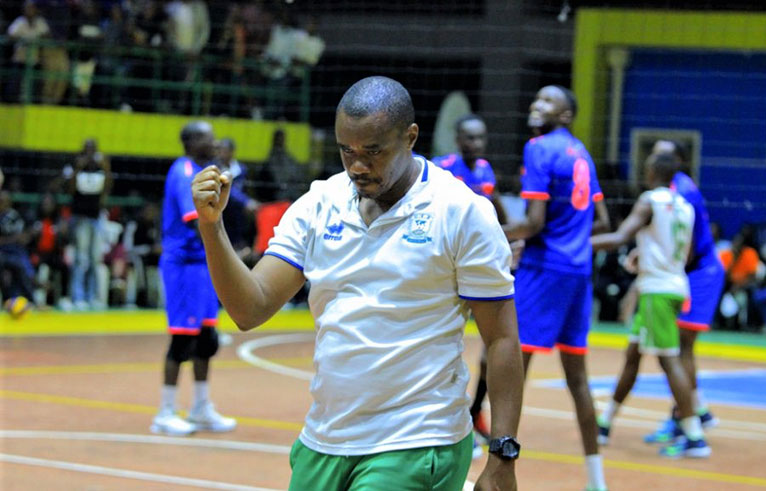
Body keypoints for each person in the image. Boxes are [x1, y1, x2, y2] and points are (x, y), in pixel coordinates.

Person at [191, 76, 523, 490]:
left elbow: (503, 339)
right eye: (347, 151)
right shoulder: (318, 205)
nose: (357, 166)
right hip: (325, 438)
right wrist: (212, 227)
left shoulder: (460, 212)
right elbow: (249, 308)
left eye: (373, 152)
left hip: (417, 441)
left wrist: (503, 454)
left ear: (410, 137)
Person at [503, 85, 610, 491]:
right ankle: (596, 481)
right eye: (536, 98)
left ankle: (498, 470)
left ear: (565, 115)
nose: (536, 104)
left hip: (544, 269)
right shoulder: (581, 152)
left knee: (513, 371)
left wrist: (490, 234)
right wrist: (572, 238)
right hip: (578, 272)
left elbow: (533, 223)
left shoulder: (539, 148)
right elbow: (601, 221)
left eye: (548, 101)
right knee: (578, 380)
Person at [590, 152, 711, 459]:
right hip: (671, 284)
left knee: (669, 361)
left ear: (652, 171)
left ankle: (695, 436)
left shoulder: (650, 200)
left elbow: (619, 236)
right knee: (633, 354)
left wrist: (574, 244)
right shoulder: (684, 205)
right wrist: (647, 257)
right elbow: (687, 252)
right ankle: (604, 423)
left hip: (657, 290)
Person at [621, 139, 722, 444]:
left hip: (698, 272)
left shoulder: (677, 192)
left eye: (660, 155)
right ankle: (695, 410)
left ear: (674, 161)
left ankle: (685, 417)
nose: (652, 159)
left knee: (679, 348)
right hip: (683, 272)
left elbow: (685, 250)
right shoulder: (678, 188)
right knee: (675, 349)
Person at [151, 121, 236, 437]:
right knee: (182, 339)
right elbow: (195, 222)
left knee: (206, 340)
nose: (213, 140)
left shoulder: (207, 170)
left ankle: (200, 407)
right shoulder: (183, 171)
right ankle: (165, 412)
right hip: (183, 265)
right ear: (189, 141)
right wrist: (227, 253)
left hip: (202, 266)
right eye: (205, 136)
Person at [432, 113, 508, 448]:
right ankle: (447, 417)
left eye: (479, 139)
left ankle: (475, 413)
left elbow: (492, 208)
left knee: (491, 346)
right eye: (468, 138)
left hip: (474, 266)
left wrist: (507, 237)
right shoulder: (441, 166)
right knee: (444, 342)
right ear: (458, 139)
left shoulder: (486, 171)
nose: (474, 144)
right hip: (442, 266)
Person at [67, 139, 112, 310]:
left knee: (95, 258)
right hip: (80, 216)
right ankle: (78, 297)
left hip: (96, 216)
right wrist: (78, 168)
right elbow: (70, 190)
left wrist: (106, 168)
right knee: (81, 258)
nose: (90, 153)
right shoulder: (77, 165)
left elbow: (107, 190)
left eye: (92, 150)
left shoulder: (101, 167)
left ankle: (93, 297)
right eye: (87, 149)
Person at [216, 138, 258, 258]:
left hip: (238, 213)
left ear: (231, 152)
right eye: (220, 151)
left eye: (224, 151)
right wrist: (246, 202)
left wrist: (249, 202)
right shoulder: (215, 167)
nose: (221, 154)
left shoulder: (241, 169)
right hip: (223, 210)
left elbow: (244, 189)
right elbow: (228, 189)